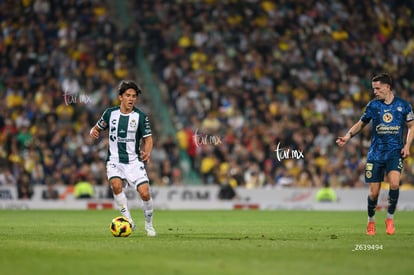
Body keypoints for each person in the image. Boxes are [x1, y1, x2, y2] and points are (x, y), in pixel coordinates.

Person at [336, 73, 414, 235]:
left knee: (394, 184)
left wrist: (407, 146)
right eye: (373, 89)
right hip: (375, 154)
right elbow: (361, 123)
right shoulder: (373, 106)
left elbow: (412, 126)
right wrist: (347, 136)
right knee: (374, 193)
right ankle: (371, 221)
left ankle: (390, 218)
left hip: (394, 152)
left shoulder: (403, 105)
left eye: (377, 88)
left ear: (387, 87)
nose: (375, 92)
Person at [89, 80, 156, 237]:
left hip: (133, 162)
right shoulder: (110, 113)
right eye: (128, 95)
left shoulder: (140, 117)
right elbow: (97, 127)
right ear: (120, 97)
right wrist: (93, 131)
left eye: (133, 96)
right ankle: (128, 221)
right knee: (116, 185)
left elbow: (148, 139)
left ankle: (149, 225)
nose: (131, 99)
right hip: (114, 161)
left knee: (145, 193)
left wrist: (147, 152)